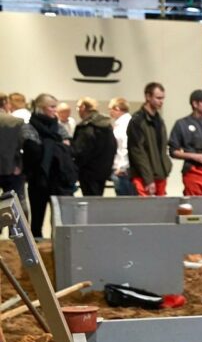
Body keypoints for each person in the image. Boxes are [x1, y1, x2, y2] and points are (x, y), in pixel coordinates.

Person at [26, 94, 77, 237]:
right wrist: (58, 147)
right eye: (52, 107)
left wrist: (49, 147)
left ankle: (58, 250)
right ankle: (37, 252)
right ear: (42, 108)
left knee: (59, 219)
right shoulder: (29, 127)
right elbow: (33, 153)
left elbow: (69, 150)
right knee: (37, 219)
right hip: (38, 179)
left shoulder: (59, 127)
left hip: (59, 180)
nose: (55, 110)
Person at [127, 82, 171, 197]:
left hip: (160, 175)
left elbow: (162, 147)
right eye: (158, 98)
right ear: (148, 97)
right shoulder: (137, 121)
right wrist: (148, 179)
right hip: (143, 178)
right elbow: (137, 152)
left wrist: (166, 167)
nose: (161, 101)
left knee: (161, 212)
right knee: (145, 212)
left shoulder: (159, 120)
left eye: (162, 98)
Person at [71, 97, 117, 197]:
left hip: (88, 173)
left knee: (90, 200)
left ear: (83, 107)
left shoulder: (86, 127)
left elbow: (80, 151)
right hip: (104, 171)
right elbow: (113, 146)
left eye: (78, 108)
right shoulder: (107, 125)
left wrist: (75, 166)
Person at [0, 94, 37, 215]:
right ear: (6, 103)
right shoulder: (16, 122)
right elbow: (26, 145)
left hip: (10, 167)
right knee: (17, 204)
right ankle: (19, 232)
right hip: (13, 168)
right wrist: (20, 164)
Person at [108, 97, 134, 196]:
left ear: (117, 108)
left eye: (110, 109)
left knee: (125, 201)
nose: (110, 112)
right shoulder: (121, 123)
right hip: (121, 168)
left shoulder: (124, 124)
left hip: (122, 169)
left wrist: (122, 167)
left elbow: (125, 146)